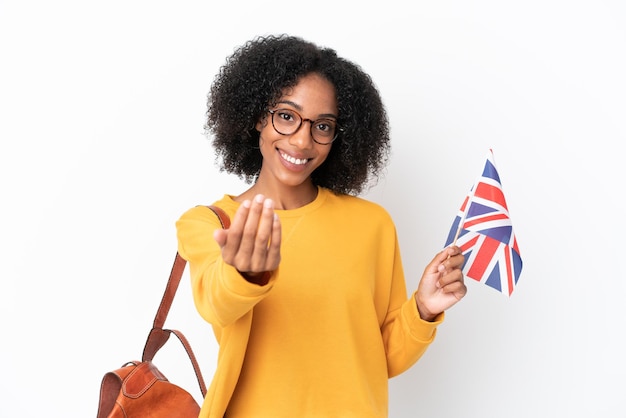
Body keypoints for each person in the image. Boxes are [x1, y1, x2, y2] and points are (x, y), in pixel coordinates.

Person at [176, 34, 467, 418]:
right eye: (286, 116)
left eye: (323, 126)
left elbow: (379, 360)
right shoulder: (210, 223)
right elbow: (217, 305)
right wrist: (244, 272)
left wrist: (424, 310)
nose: (302, 140)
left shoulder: (371, 225)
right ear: (257, 117)